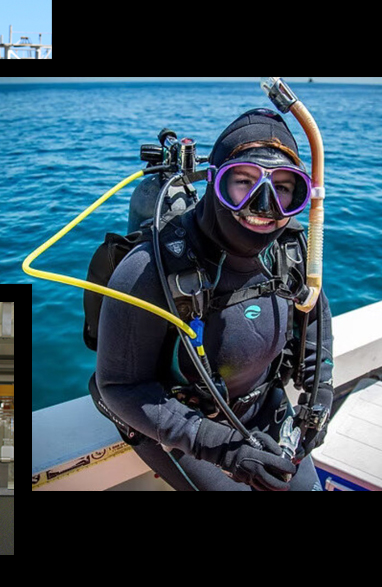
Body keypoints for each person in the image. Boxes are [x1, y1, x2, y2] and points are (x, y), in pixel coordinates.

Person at [92, 109, 333, 491]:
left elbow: (315, 320)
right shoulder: (150, 269)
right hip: (183, 422)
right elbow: (119, 386)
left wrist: (320, 395)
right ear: (214, 183)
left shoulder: (292, 250)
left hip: (262, 405)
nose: (264, 206)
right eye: (243, 182)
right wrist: (223, 449)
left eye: (284, 188)